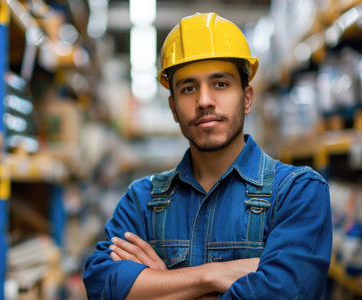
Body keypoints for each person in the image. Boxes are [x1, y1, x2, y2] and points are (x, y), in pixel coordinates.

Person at [83, 12, 332, 299]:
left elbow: (284, 293)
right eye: (189, 88)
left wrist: (163, 284)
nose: (204, 101)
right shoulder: (141, 201)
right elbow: (101, 285)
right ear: (174, 108)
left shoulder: (297, 192)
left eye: (221, 84)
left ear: (247, 98)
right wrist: (211, 275)